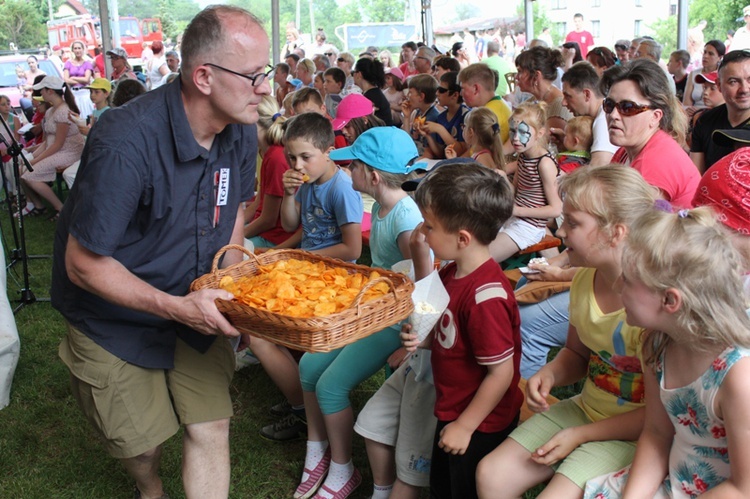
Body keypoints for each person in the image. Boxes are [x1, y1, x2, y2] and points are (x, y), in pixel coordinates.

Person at [50, 6, 270, 497]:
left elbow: (235, 207)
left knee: (211, 425)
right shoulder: (125, 141)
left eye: (266, 73)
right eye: (254, 75)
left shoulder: (238, 130)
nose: (265, 88)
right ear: (204, 77)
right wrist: (176, 308)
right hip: (111, 317)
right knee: (143, 445)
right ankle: (151, 488)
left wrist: (230, 290)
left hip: (196, 302)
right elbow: (82, 265)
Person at [476, 164, 656, 499]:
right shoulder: (584, 279)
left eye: (572, 223)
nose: (559, 233)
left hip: (635, 433)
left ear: (616, 232)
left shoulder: (650, 309)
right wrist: (550, 374)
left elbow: (659, 417)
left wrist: (581, 435)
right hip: (585, 410)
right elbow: (576, 355)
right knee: (491, 474)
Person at [583, 207, 750, 498]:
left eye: (628, 281)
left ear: (669, 300)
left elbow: (743, 487)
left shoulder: (738, 378)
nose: (617, 285)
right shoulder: (655, 344)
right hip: (673, 479)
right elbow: (657, 434)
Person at [292, 127, 421, 499]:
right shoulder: (382, 207)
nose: (347, 170)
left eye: (354, 165)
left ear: (374, 176)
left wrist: (413, 342)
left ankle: (343, 468)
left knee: (331, 386)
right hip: (371, 311)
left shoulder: (405, 220)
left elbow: (423, 286)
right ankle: (317, 451)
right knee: (308, 367)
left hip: (396, 320)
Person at [393, 161, 521, 499]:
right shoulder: (453, 273)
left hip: (480, 422)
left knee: (462, 489)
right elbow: (452, 336)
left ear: (462, 238)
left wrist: (465, 427)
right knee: (443, 486)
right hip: (454, 408)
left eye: (430, 226)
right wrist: (424, 339)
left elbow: (501, 373)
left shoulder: (485, 297)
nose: (422, 232)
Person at [603, 59, 699, 208]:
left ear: (655, 117)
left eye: (627, 107)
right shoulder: (627, 149)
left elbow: (628, 225)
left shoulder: (654, 162)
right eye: (609, 105)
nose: (613, 115)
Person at [489, 101, 562, 264]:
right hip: (514, 217)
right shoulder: (523, 155)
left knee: (482, 257)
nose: (515, 139)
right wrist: (501, 175)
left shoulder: (544, 163)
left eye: (522, 132)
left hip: (529, 225)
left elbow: (556, 209)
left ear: (540, 133)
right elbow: (516, 190)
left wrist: (518, 211)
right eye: (513, 131)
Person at [20, 76, 84, 220]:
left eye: (42, 90)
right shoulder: (50, 111)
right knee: (24, 169)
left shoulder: (63, 111)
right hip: (57, 149)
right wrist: (32, 157)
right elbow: (48, 141)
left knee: (30, 175)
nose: (40, 94)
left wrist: (35, 161)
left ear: (50, 91)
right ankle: (38, 205)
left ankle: (61, 208)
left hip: (70, 151)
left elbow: (58, 144)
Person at [691, 49, 750, 174]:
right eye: (733, 82)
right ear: (719, 85)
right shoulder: (704, 121)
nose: (744, 89)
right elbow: (696, 178)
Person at [559, 61, 619, 166]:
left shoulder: (603, 120)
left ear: (586, 94)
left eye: (568, 96)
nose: (563, 103)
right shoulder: (601, 115)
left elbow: (598, 167)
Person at [514, 47, 573, 135]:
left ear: (536, 75)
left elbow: (548, 145)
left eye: (520, 71)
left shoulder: (558, 106)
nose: (516, 77)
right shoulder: (530, 102)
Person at [418, 71, 469, 159]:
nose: (437, 93)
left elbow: (461, 151)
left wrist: (440, 129)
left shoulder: (466, 116)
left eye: (441, 90)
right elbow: (440, 153)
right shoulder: (441, 117)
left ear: (455, 95)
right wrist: (428, 136)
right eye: (437, 89)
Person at [458, 64, 512, 143]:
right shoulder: (498, 104)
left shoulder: (486, 115)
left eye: (463, 89)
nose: (460, 93)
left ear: (475, 89)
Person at [446, 107, 504, 172]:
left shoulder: (481, 158)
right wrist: (454, 160)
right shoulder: (481, 154)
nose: (463, 129)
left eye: (464, 126)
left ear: (471, 132)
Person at [682, 40, 725, 117]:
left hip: (713, 114)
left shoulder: (722, 75)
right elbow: (686, 103)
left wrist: (701, 112)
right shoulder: (694, 74)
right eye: (704, 52)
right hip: (692, 114)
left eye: (710, 54)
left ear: (720, 57)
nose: (705, 56)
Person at [401, 74, 439, 153]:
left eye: (410, 93)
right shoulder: (418, 112)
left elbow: (432, 152)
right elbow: (405, 139)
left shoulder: (433, 117)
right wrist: (407, 117)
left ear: (421, 97)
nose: (408, 96)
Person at [352, 58, 393, 126]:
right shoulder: (374, 93)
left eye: (353, 73)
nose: (352, 76)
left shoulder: (370, 97)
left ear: (359, 74)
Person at [63, 41, 95, 120]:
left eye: (79, 48)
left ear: (83, 49)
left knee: (86, 116)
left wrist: (73, 78)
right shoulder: (68, 63)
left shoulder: (87, 63)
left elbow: (87, 79)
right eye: (75, 48)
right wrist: (82, 80)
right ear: (72, 50)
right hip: (73, 93)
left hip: (84, 94)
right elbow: (66, 80)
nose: (77, 50)